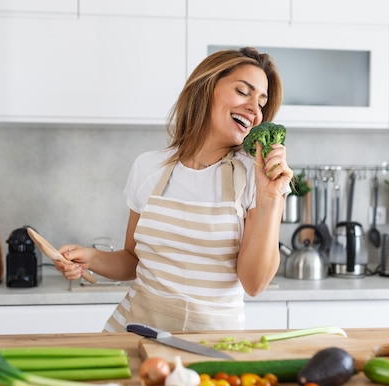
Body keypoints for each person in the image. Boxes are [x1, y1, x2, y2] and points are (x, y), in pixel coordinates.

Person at [54, 47, 294, 332]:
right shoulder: (148, 167)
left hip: (213, 347)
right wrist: (92, 258)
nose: (255, 110)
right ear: (206, 88)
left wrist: (270, 199)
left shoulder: (257, 177)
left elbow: (255, 284)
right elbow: (133, 260)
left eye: (262, 102)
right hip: (135, 335)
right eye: (243, 92)